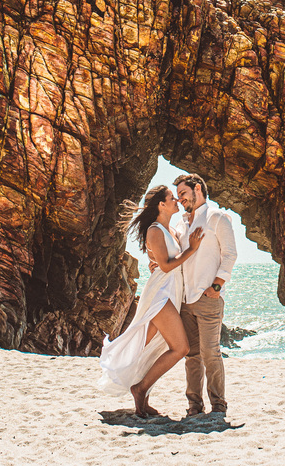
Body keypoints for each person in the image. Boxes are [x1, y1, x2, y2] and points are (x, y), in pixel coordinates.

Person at [98, 185, 204, 416]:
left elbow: (165, 260)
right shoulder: (155, 230)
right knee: (181, 347)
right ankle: (140, 388)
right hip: (161, 293)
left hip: (171, 290)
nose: (176, 200)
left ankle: (143, 396)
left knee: (153, 347)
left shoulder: (171, 231)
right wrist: (192, 250)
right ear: (161, 205)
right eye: (171, 198)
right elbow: (166, 265)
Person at [174, 173, 237, 416]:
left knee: (211, 353)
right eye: (178, 196)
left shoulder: (217, 217)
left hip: (208, 298)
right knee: (192, 356)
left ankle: (218, 405)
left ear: (197, 188)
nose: (180, 199)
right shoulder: (181, 224)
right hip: (184, 300)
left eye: (183, 193)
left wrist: (217, 287)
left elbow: (230, 254)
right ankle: (194, 406)